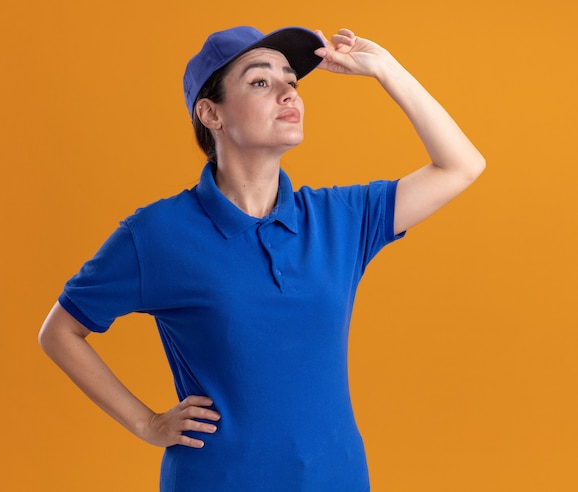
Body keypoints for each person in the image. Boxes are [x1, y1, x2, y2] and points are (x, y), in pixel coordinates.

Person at [39, 25, 485, 491]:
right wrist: (145, 423)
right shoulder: (157, 234)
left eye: (291, 81)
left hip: (338, 478)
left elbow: (462, 165)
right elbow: (60, 332)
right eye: (260, 82)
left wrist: (385, 70)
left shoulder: (340, 218)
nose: (288, 93)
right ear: (211, 113)